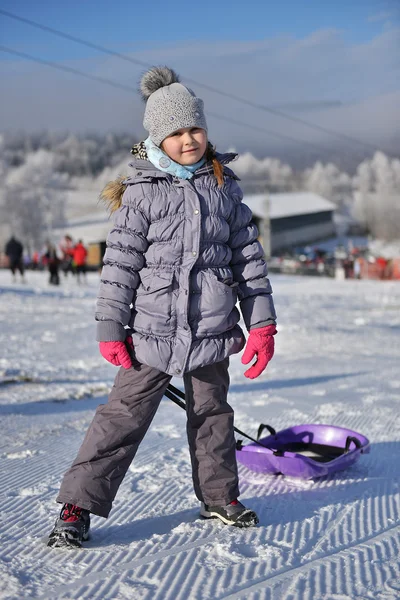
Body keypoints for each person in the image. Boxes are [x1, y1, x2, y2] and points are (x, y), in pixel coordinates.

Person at [47, 66, 277, 549]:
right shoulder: (141, 193)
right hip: (150, 332)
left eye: (194, 128)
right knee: (122, 418)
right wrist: (111, 327)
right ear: (156, 137)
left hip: (211, 329)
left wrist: (262, 325)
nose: (187, 139)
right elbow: (120, 267)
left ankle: (218, 495)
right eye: (174, 132)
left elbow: (248, 261)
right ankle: (78, 505)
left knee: (213, 416)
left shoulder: (223, 188)